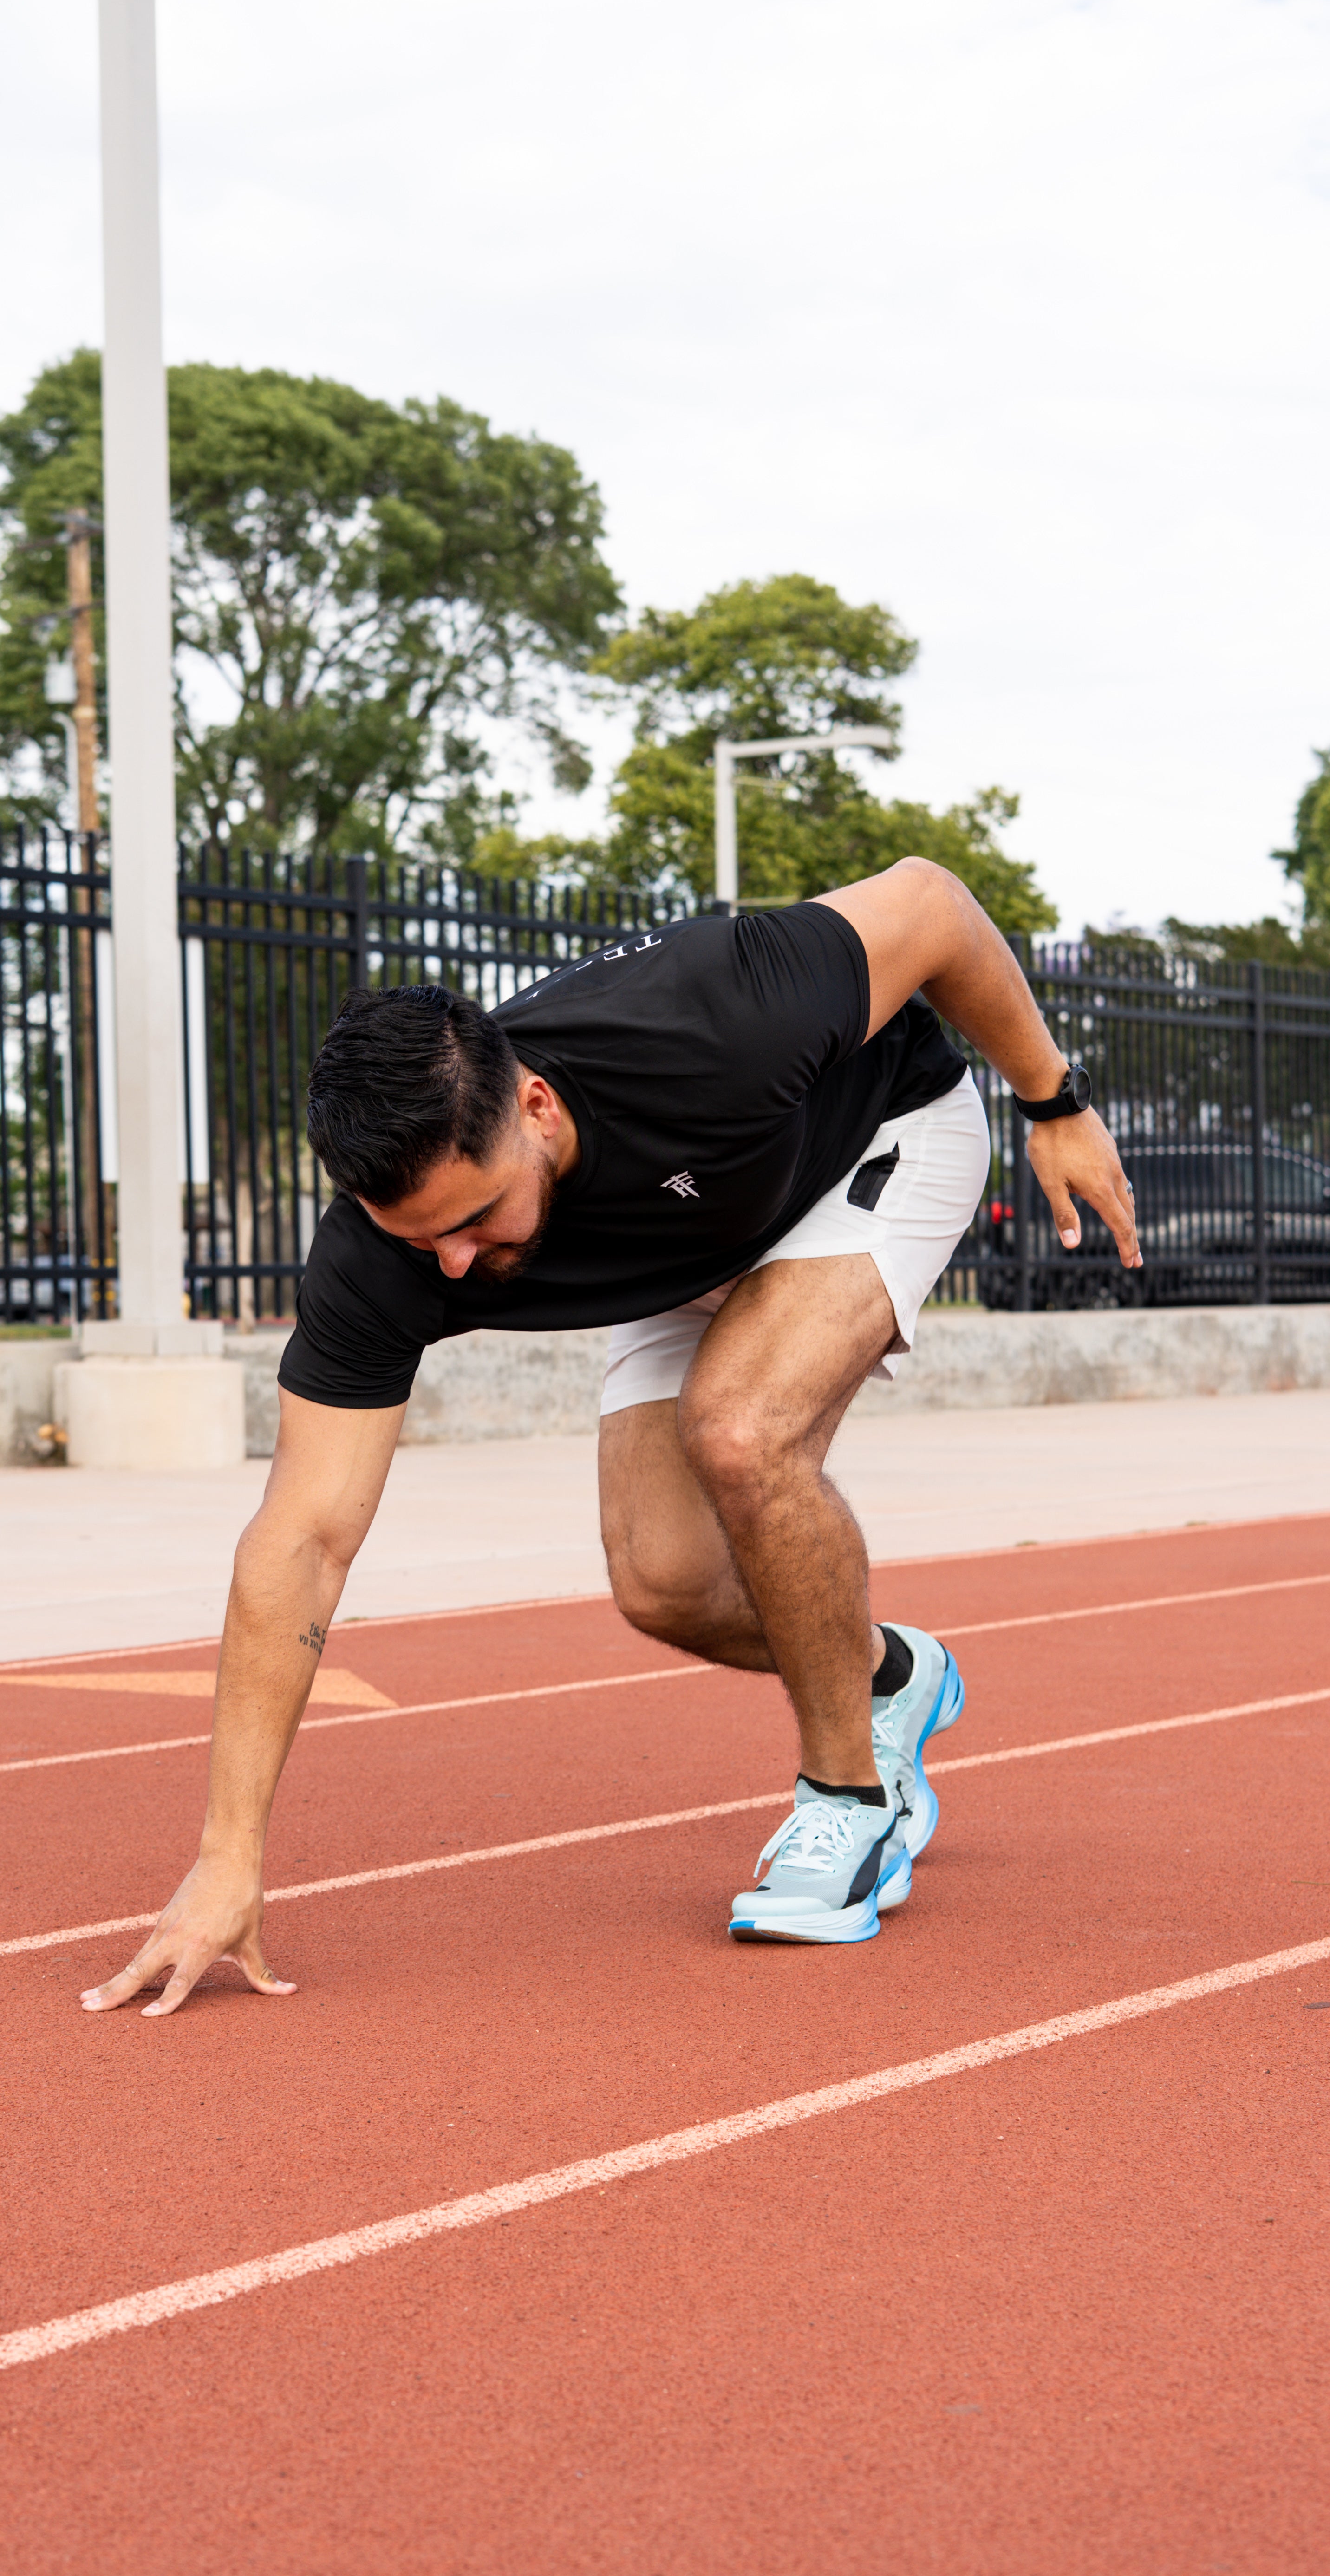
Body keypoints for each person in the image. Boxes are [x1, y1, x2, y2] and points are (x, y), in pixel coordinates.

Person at [83, 855, 1139, 2016]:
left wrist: (1054, 1101)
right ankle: (890, 1673)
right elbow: (304, 1538)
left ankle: (849, 1805)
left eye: (475, 1217)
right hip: (684, 1254)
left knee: (738, 1429)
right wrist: (230, 1856)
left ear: (534, 1107)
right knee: (664, 1583)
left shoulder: (717, 1011)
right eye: (419, 1237)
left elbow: (933, 905)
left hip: (869, 1147)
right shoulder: (381, 1259)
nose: (451, 1264)